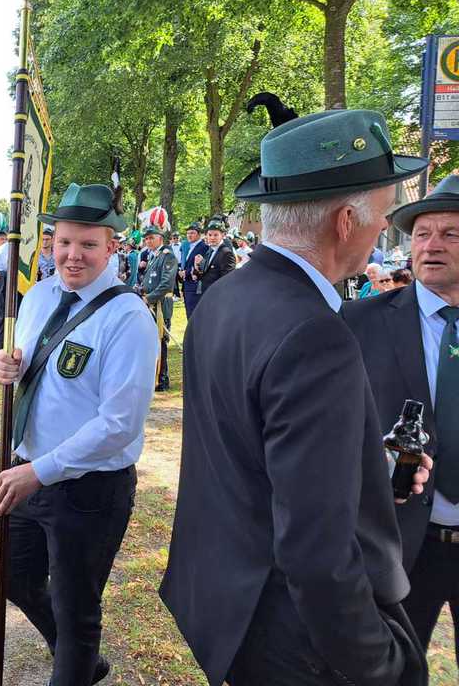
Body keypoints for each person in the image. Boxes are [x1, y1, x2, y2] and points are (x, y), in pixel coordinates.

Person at [161, 108, 432, 686]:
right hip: (295, 636)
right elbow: (316, 551)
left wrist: (366, 467)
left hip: (232, 605)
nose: (385, 232)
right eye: (384, 216)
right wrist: (376, 663)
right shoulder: (314, 333)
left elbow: (249, 453)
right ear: (346, 221)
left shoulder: (224, 299)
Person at [0, 181, 157, 686]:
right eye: (63, 242)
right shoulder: (38, 297)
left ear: (111, 245)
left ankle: (75, 662)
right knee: (16, 580)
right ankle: (81, 661)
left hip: (88, 489)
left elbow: (119, 423)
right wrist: (7, 365)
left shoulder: (128, 317)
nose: (73, 254)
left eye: (88, 243)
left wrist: (38, 472)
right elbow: (30, 367)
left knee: (76, 609)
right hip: (28, 472)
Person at [346, 174, 459, 668]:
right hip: (398, 545)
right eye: (422, 234)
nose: (431, 245)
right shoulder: (358, 322)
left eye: (451, 234)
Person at [141, 222, 178, 392]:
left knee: (160, 342)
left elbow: (166, 284)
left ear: (160, 238)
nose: (148, 241)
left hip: (160, 306)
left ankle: (162, 380)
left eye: (151, 238)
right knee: (150, 342)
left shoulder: (167, 256)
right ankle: (152, 377)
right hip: (150, 304)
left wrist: (149, 298)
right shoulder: (154, 256)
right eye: (146, 239)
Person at [189, 219, 235, 297]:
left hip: (217, 295)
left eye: (216, 235)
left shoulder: (226, 253)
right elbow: (204, 274)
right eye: (210, 235)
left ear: (223, 235)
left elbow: (227, 279)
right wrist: (197, 267)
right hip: (204, 293)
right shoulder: (209, 251)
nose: (212, 238)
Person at [180, 223, 207, 318]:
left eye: (192, 233)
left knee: (193, 314)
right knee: (189, 313)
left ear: (199, 234)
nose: (189, 235)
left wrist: (186, 272)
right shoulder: (189, 246)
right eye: (188, 233)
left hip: (195, 285)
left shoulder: (203, 247)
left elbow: (201, 266)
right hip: (187, 284)